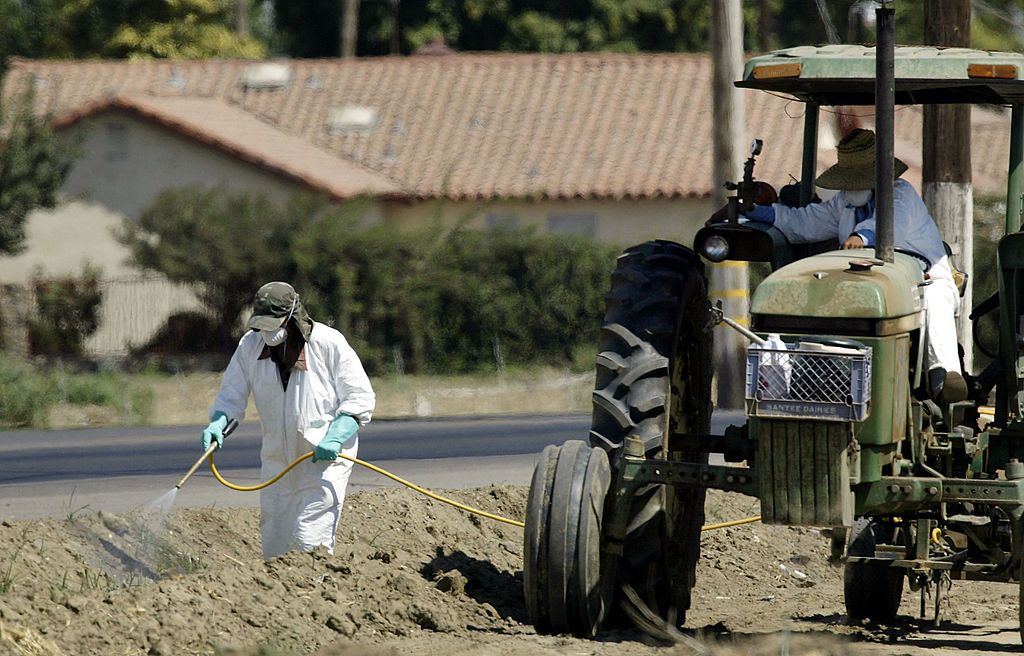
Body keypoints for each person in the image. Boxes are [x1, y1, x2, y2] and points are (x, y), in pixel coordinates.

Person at [731, 128, 967, 404]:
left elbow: (890, 223)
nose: (851, 188)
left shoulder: (902, 196)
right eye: (849, 182)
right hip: (860, 281)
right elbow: (806, 222)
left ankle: (943, 377)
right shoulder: (844, 203)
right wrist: (756, 212)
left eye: (858, 181)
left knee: (936, 300)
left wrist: (861, 236)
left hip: (922, 277)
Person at [202, 281, 376, 559]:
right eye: (262, 325)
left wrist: (335, 436)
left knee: (310, 543)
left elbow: (359, 399)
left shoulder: (327, 343)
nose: (267, 333)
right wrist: (218, 423)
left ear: (293, 315)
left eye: (274, 324)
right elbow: (230, 396)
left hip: (322, 464)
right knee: (274, 548)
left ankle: (315, 596)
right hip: (277, 464)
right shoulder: (250, 345)